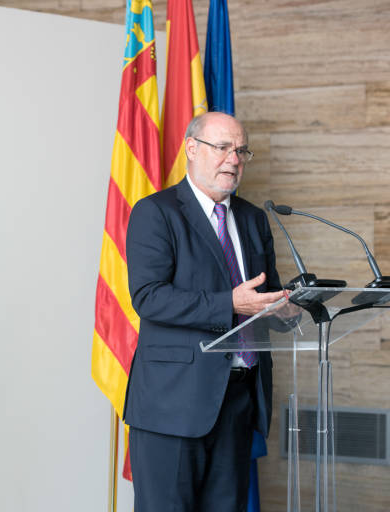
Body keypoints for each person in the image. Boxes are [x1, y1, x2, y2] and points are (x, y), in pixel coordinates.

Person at [123, 112, 285, 511]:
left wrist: (290, 307)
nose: (234, 158)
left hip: (237, 401)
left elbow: (265, 294)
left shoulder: (252, 218)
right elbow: (148, 297)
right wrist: (228, 303)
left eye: (241, 150)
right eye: (223, 147)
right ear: (191, 149)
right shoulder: (156, 212)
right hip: (172, 404)